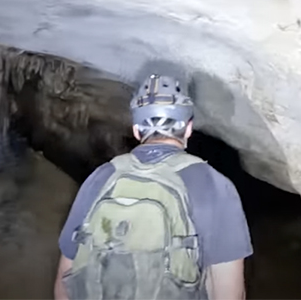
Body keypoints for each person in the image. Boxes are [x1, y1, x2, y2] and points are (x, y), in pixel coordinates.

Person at [54, 74, 253, 300]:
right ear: (188, 129)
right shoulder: (215, 186)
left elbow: (65, 278)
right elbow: (230, 293)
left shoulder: (102, 177)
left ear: (137, 130)